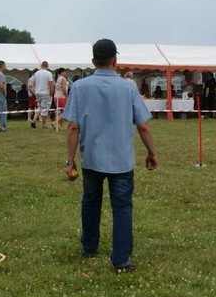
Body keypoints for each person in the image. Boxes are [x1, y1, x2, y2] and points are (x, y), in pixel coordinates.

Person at [63, 39, 158, 274]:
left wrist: (70, 160)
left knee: (90, 201)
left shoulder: (80, 87)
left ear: (93, 61)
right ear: (115, 60)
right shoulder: (129, 88)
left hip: (92, 158)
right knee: (122, 207)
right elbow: (143, 125)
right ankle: (121, 259)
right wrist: (151, 152)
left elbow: (73, 127)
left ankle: (89, 246)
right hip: (121, 160)